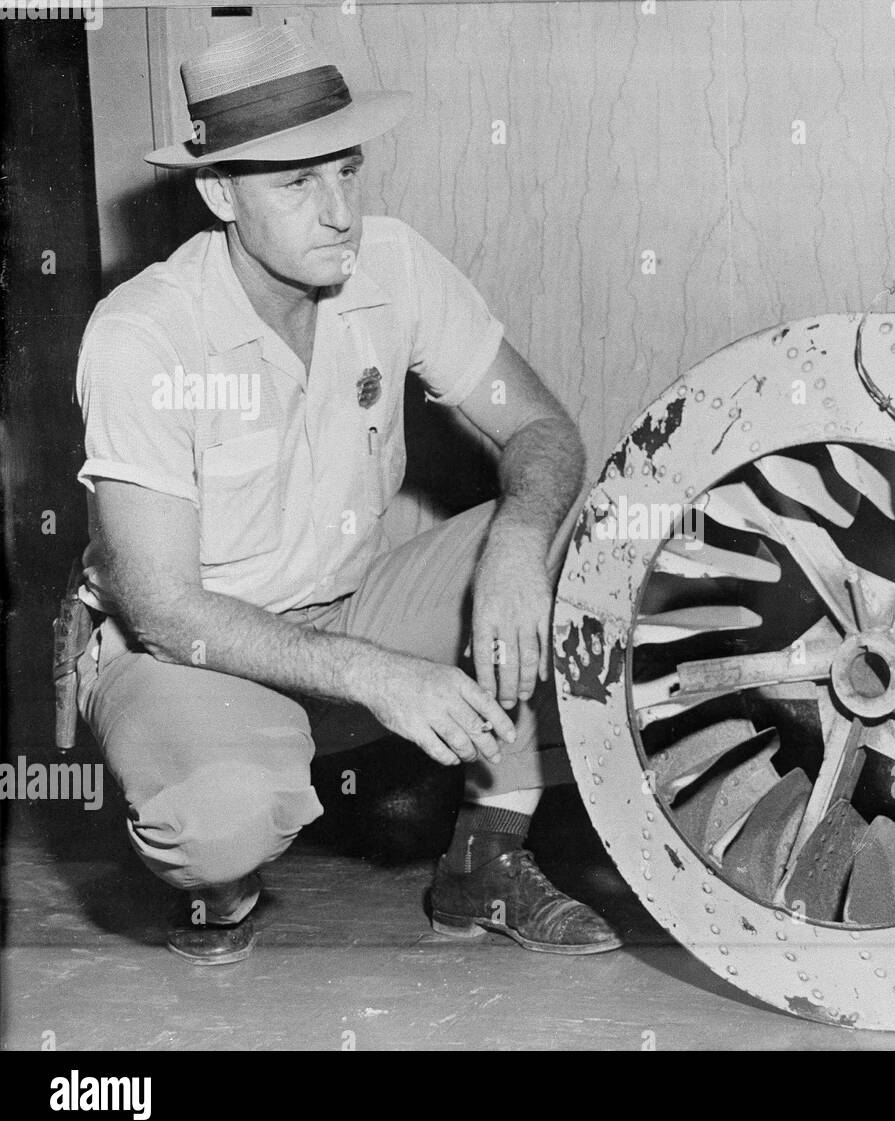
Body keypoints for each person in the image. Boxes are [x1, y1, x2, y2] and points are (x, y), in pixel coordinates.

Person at [72, 26, 620, 964]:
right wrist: (376, 675)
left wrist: (521, 546)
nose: (339, 214)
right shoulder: (142, 337)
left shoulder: (393, 264)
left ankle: (484, 864)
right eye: (295, 184)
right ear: (219, 194)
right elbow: (162, 607)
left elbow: (542, 430)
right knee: (221, 823)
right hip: (191, 650)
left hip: (350, 608)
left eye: (347, 173)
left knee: (594, 546)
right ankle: (222, 879)